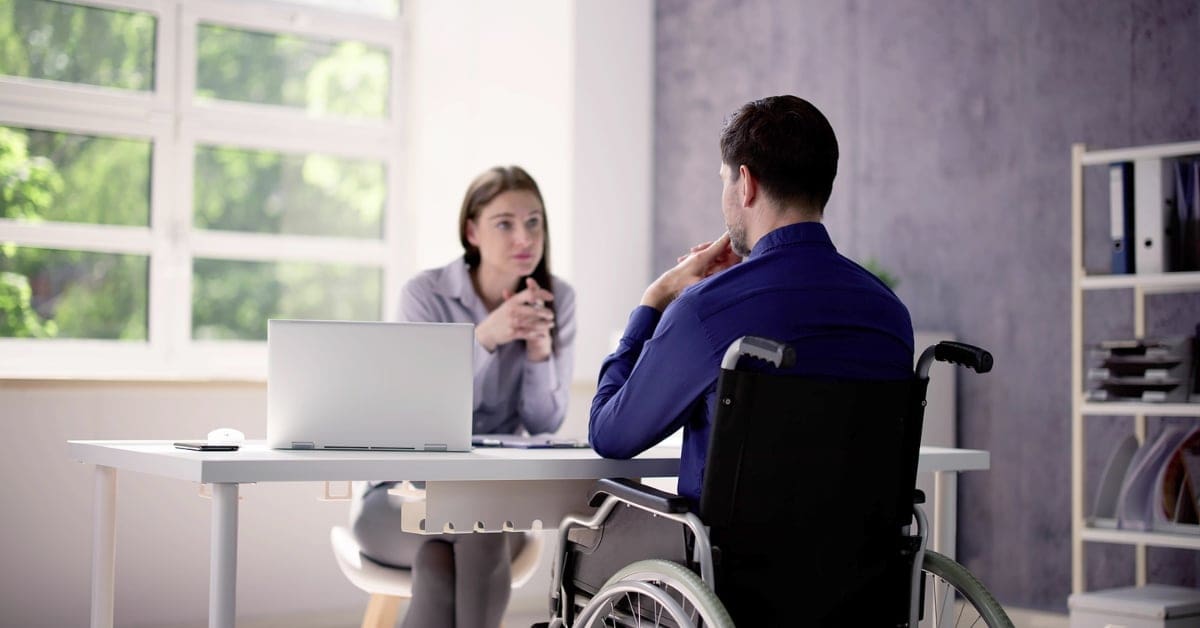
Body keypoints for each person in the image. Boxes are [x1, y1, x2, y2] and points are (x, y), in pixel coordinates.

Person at [589, 95, 914, 507]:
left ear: (746, 184)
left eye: (724, 179)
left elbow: (610, 433)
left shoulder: (703, 312)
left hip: (733, 567)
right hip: (859, 567)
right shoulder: (890, 314)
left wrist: (655, 299)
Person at [352, 165, 575, 628]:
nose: (525, 237)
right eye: (505, 223)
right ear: (472, 231)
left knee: (449, 554)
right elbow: (418, 411)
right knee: (472, 531)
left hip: (492, 501)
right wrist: (485, 338)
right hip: (399, 496)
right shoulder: (425, 295)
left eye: (534, 221)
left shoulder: (558, 298)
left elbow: (543, 424)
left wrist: (538, 354)